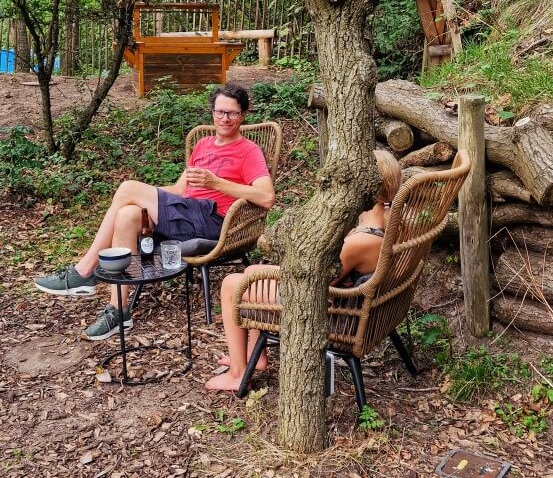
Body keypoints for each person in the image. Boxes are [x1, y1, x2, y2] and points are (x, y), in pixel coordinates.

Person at [34, 83, 275, 340]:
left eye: (232, 113)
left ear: (243, 115)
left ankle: (84, 272)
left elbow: (267, 197)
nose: (224, 118)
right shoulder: (203, 145)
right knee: (127, 213)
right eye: (219, 112)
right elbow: (178, 191)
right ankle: (119, 311)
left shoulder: (249, 151)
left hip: (213, 221)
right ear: (212, 112)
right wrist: (144, 195)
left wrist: (215, 183)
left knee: (127, 188)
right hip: (185, 213)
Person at [205, 149, 402, 392]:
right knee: (253, 271)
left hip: (329, 313)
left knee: (231, 285)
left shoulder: (361, 241)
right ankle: (257, 358)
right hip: (346, 305)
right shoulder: (384, 225)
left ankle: (236, 373)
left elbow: (317, 279)